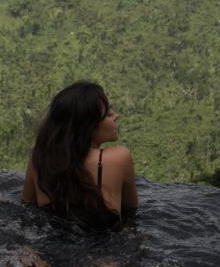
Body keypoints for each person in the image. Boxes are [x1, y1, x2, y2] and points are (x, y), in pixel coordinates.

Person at [21, 81, 138, 225]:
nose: (116, 116)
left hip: (49, 244)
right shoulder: (120, 157)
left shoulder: (40, 158)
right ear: (89, 125)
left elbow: (27, 209)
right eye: (108, 114)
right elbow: (131, 210)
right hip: (104, 245)